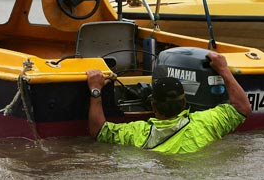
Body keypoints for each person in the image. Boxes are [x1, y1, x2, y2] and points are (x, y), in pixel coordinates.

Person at [86, 51, 252, 154]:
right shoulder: (206, 123)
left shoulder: (138, 133)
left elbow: (99, 131)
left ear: (153, 105)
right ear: (185, 101)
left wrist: (95, 91)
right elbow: (242, 108)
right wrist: (223, 69)